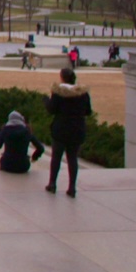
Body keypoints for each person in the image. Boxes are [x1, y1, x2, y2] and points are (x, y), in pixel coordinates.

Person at [47, 67, 93, 197]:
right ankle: (72, 187)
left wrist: (46, 100)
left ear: (62, 77)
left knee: (56, 157)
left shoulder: (58, 93)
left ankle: (52, 183)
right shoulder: (83, 94)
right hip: (77, 129)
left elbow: (51, 110)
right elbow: (88, 111)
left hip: (60, 129)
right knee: (72, 158)